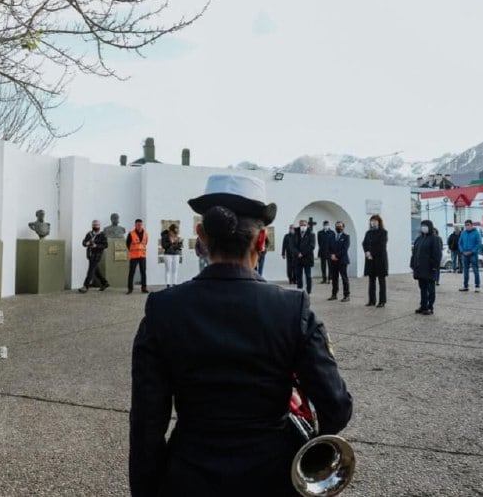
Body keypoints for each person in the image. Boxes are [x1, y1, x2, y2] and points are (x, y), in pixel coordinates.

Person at [130, 174, 353, 495]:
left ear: (201, 238)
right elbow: (336, 408)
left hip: (189, 476)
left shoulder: (162, 309)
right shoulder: (294, 308)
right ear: (262, 241)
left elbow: (146, 425)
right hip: (275, 477)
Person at [411, 220, 442, 315]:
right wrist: (413, 264)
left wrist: (434, 266)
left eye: (425, 226)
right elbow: (415, 252)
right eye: (422, 226)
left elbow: (437, 254)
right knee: (422, 288)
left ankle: (430, 306)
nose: (423, 228)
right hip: (420, 268)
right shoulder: (419, 239)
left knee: (430, 288)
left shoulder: (434, 239)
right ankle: (423, 305)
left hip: (429, 268)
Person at [362, 214, 388, 308]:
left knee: (381, 281)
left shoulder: (383, 232)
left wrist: (372, 253)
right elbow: (364, 243)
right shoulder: (368, 233)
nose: (373, 222)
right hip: (370, 259)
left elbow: (381, 246)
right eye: (372, 221)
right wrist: (367, 252)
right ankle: (371, 300)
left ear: (379, 222)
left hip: (380, 259)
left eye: (375, 221)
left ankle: (382, 301)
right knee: (371, 280)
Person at [78, 219, 109, 293]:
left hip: (97, 255)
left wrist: (96, 245)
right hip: (90, 255)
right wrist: (87, 243)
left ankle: (85, 286)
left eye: (97, 225)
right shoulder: (89, 234)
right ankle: (104, 283)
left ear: (99, 226)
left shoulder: (102, 235)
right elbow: (83, 243)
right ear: (92, 226)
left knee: (90, 271)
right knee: (95, 270)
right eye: (94, 225)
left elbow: (105, 245)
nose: (95, 226)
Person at [290, 219, 316, 294]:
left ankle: (308, 292)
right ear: (299, 225)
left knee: (308, 276)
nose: (303, 226)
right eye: (301, 225)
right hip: (297, 258)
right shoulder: (295, 233)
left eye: (304, 225)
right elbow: (291, 246)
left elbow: (312, 246)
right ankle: (299, 291)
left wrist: (302, 253)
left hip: (307, 258)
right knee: (298, 276)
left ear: (307, 225)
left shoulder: (311, 234)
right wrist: (298, 253)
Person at [327, 221, 351, 302]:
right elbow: (329, 248)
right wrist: (331, 255)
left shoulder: (346, 237)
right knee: (334, 278)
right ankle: (334, 294)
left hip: (342, 261)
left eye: (340, 226)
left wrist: (336, 256)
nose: (338, 228)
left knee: (344, 278)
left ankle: (346, 295)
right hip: (333, 261)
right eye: (337, 226)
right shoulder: (332, 236)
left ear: (343, 227)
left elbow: (345, 249)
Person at [458, 219, 481, 292]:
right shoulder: (463, 233)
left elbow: (478, 244)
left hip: (473, 254)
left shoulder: (476, 233)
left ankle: (477, 286)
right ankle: (465, 286)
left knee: (475, 270)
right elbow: (460, 243)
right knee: (465, 271)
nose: (467, 226)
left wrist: (472, 251)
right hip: (464, 254)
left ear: (471, 225)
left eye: (468, 225)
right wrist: (462, 251)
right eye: (466, 225)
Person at [126, 219, 148, 294]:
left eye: (140, 225)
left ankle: (144, 288)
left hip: (142, 256)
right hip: (134, 256)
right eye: (138, 225)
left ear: (142, 225)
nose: (139, 226)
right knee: (131, 273)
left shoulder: (146, 234)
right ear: (135, 225)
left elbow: (145, 243)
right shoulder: (131, 233)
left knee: (143, 272)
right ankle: (130, 288)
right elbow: (128, 244)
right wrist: (133, 250)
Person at [161, 223, 183, 288]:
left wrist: (180, 243)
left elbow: (179, 247)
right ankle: (168, 285)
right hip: (168, 254)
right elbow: (164, 246)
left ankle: (174, 284)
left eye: (175, 232)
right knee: (168, 270)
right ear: (170, 230)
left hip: (176, 254)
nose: (174, 233)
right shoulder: (165, 236)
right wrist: (171, 242)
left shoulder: (177, 236)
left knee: (175, 270)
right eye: (173, 232)